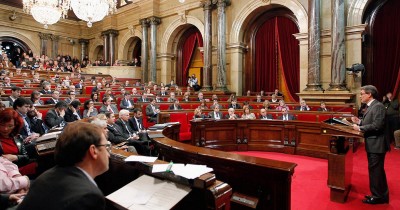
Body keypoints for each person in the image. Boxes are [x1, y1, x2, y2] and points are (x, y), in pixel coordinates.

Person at [18, 122, 109, 210]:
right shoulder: (88, 196)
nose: (108, 154)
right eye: (106, 146)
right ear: (93, 151)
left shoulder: (47, 175)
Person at [351, 85, 389, 204]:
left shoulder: (378, 106)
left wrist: (360, 127)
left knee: (376, 171)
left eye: (362, 93)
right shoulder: (371, 106)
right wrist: (360, 121)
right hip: (373, 143)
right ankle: (379, 194)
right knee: (376, 170)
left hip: (377, 144)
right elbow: (371, 122)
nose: (360, 96)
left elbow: (377, 125)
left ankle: (378, 196)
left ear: (369, 94)